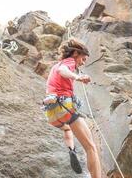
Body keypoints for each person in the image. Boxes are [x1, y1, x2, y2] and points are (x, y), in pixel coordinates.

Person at [42, 39, 101, 178]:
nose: (83, 62)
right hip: (64, 106)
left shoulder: (54, 66)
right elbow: (63, 71)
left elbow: (57, 75)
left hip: (51, 113)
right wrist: (78, 77)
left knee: (67, 128)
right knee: (91, 147)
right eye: (83, 58)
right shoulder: (69, 62)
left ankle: (71, 149)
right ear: (75, 53)